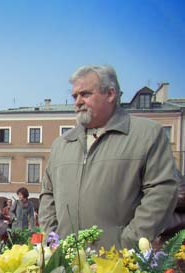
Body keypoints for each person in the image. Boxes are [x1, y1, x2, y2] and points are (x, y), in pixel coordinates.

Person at [40, 65, 179, 249]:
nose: (78, 102)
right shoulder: (62, 144)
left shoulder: (147, 135)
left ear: (110, 94)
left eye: (85, 94)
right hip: (66, 262)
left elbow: (162, 192)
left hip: (118, 264)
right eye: (75, 96)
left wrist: (129, 242)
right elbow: (47, 195)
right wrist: (53, 240)